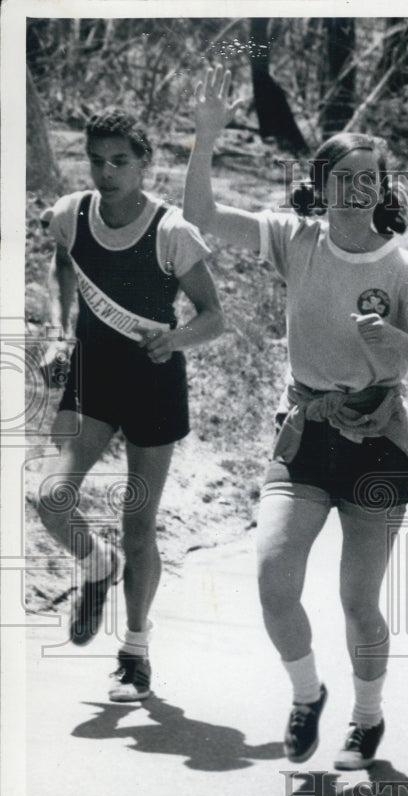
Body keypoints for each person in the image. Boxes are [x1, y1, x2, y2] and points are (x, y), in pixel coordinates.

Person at [184, 66, 408, 770]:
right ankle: (308, 696)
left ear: (384, 188)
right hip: (305, 433)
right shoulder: (296, 240)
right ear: (322, 182)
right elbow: (205, 220)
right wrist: (206, 139)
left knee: (357, 601)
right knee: (275, 578)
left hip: (373, 446)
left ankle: (367, 719)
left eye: (372, 178)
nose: (358, 189)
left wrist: (396, 345)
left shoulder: (407, 273)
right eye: (346, 177)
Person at [37, 109, 224, 701]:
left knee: (138, 527)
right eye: (96, 159)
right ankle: (96, 566)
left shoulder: (172, 231)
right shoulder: (71, 214)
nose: (107, 171)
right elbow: (64, 267)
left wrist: (175, 340)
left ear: (144, 163)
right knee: (49, 498)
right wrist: (56, 330)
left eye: (120, 161)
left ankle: (135, 654)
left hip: (151, 384)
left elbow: (214, 316)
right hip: (92, 380)